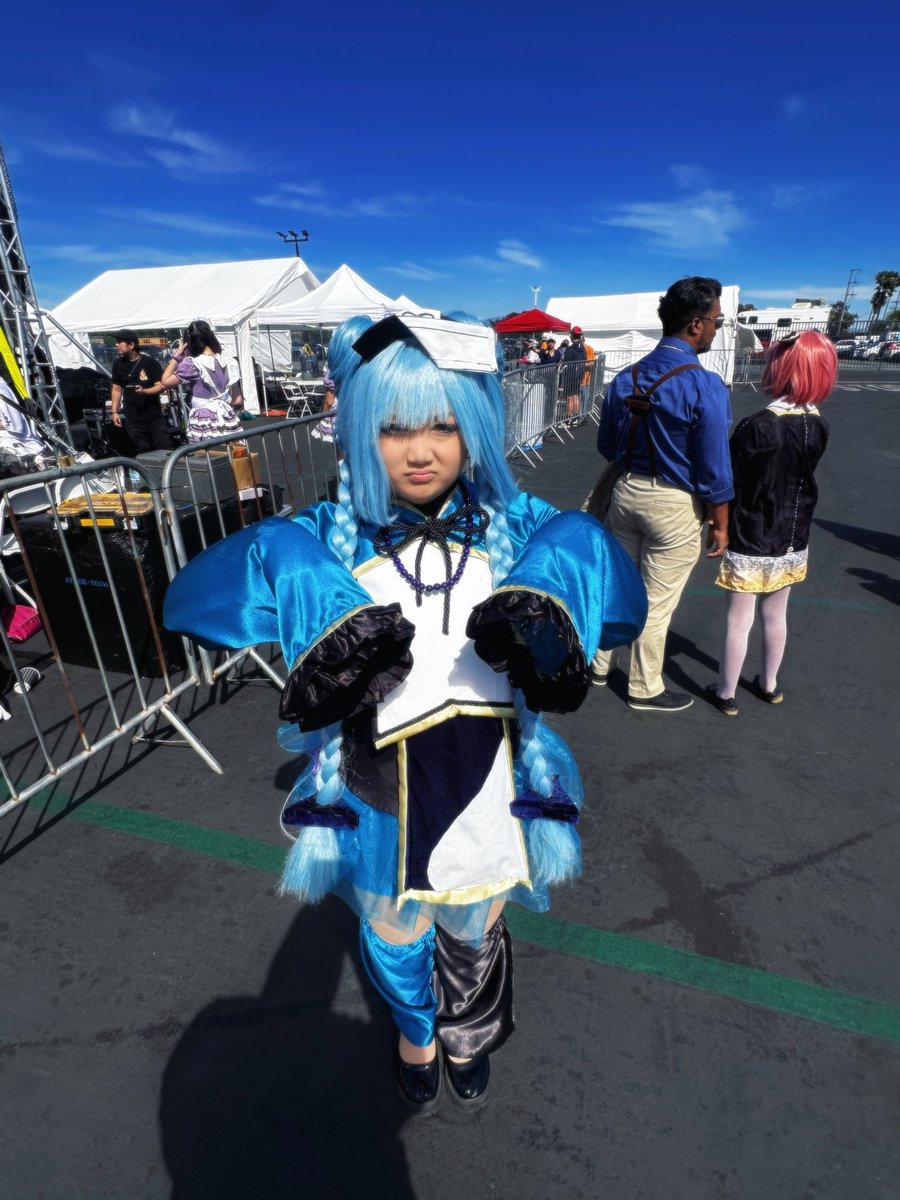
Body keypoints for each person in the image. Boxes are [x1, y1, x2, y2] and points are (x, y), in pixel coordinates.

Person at [164, 312, 646, 1114]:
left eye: (444, 425)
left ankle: (468, 1034)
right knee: (395, 935)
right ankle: (416, 1033)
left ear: (477, 428)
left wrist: (549, 585)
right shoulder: (328, 533)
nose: (420, 451)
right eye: (392, 429)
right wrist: (296, 567)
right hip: (381, 788)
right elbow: (196, 595)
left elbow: (603, 570)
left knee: (472, 930)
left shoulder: (517, 524)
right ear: (357, 428)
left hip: (489, 778)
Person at [591, 276, 734, 712]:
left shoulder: (625, 378)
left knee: (618, 585)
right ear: (695, 325)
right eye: (716, 320)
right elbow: (714, 467)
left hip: (627, 491)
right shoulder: (704, 386)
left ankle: (598, 664)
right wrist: (721, 522)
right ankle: (644, 687)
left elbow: (606, 446)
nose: (716, 328)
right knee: (657, 600)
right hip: (674, 504)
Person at [707, 332, 835, 716]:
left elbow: (729, 477)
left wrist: (716, 523)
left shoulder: (759, 425)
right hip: (794, 532)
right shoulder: (819, 424)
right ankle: (769, 684)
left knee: (739, 618)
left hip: (752, 528)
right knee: (777, 613)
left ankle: (726, 691)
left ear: (782, 368)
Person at [160, 320, 243, 444]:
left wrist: (177, 356)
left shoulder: (192, 364)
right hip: (227, 416)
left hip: (203, 418)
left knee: (209, 458)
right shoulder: (230, 362)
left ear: (189, 343)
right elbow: (237, 400)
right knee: (231, 456)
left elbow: (165, 381)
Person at [110, 331, 169, 452]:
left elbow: (161, 386)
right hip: (132, 417)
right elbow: (116, 389)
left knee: (164, 447)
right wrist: (114, 412)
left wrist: (145, 392)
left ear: (131, 345)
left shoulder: (150, 363)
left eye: (119, 342)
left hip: (153, 416)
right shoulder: (118, 364)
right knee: (142, 449)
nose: (116, 345)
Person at [561, 327, 587, 425]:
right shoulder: (583, 348)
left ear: (572, 335)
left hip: (570, 375)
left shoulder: (570, 348)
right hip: (579, 375)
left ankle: (568, 419)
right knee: (575, 396)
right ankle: (576, 418)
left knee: (569, 397)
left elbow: (564, 361)